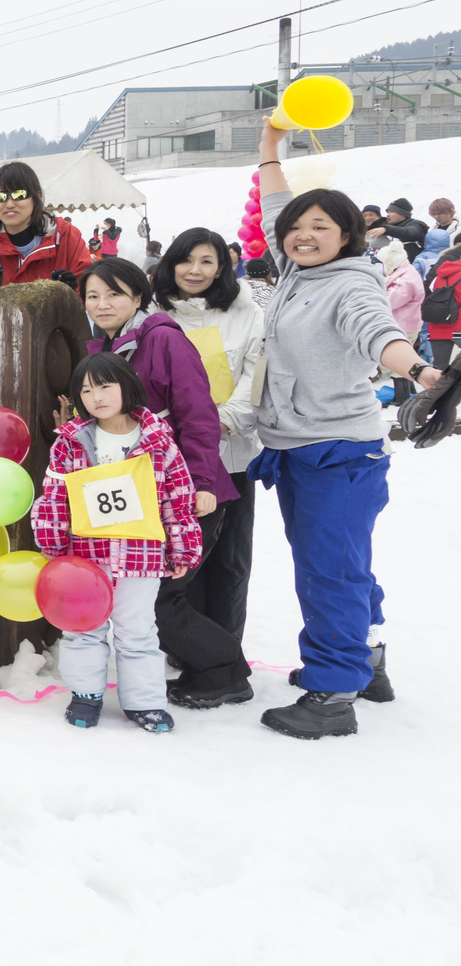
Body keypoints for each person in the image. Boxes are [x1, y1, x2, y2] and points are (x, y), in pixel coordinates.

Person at [251, 119, 442, 737]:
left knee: (328, 570)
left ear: (350, 237)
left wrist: (417, 370)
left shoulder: (353, 285)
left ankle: (333, 693)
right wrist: (270, 140)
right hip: (302, 446)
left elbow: (379, 333)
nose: (303, 235)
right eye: (296, 228)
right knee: (347, 562)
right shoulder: (293, 270)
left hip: (336, 452)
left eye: (320, 228)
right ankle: (369, 661)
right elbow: (276, 192)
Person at [81, 256, 249, 704]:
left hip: (186, 490)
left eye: (114, 293)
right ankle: (220, 669)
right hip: (143, 494)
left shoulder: (162, 339)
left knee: (160, 597)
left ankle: (223, 673)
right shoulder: (108, 346)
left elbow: (199, 414)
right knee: (159, 594)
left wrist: (201, 484)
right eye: (93, 296)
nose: (102, 303)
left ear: (138, 295)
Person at [33, 353, 203, 733]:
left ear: (127, 385)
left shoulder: (159, 440)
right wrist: (53, 542)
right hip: (86, 557)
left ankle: (144, 702)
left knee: (138, 629)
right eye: (87, 390)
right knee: (82, 628)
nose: (97, 396)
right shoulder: (71, 442)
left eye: (106, 385)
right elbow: (54, 495)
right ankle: (85, 694)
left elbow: (177, 498)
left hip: (140, 556)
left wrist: (183, 547)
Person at [150, 229, 265, 686]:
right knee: (179, 561)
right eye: (185, 261)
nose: (194, 271)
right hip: (168, 463)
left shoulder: (246, 312)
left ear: (223, 266)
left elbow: (255, 380)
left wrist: (209, 425)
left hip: (230, 456)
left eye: (206, 261)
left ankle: (224, 651)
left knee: (229, 561)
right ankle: (186, 649)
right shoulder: (155, 315)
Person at [0, 160, 94, 315]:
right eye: (0, 196)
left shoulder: (65, 236)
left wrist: (68, 293)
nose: (10, 204)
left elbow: (92, 291)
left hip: (54, 335)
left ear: (36, 196)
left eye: (19, 195)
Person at [380, 241, 425, 416]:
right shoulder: (405, 273)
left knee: (398, 361)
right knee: (405, 359)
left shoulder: (406, 277)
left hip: (404, 324)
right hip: (404, 323)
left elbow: (393, 300)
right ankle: (408, 391)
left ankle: (402, 396)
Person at [425, 242, 461, 368]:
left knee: (439, 371)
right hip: (458, 325)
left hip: (437, 327)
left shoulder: (438, 275)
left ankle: (438, 388)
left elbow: (429, 290)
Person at [371, 198, 427, 262]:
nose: (388, 215)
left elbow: (409, 232)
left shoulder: (416, 224)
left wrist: (385, 229)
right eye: (388, 212)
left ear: (403, 214)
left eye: (391, 212)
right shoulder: (392, 226)